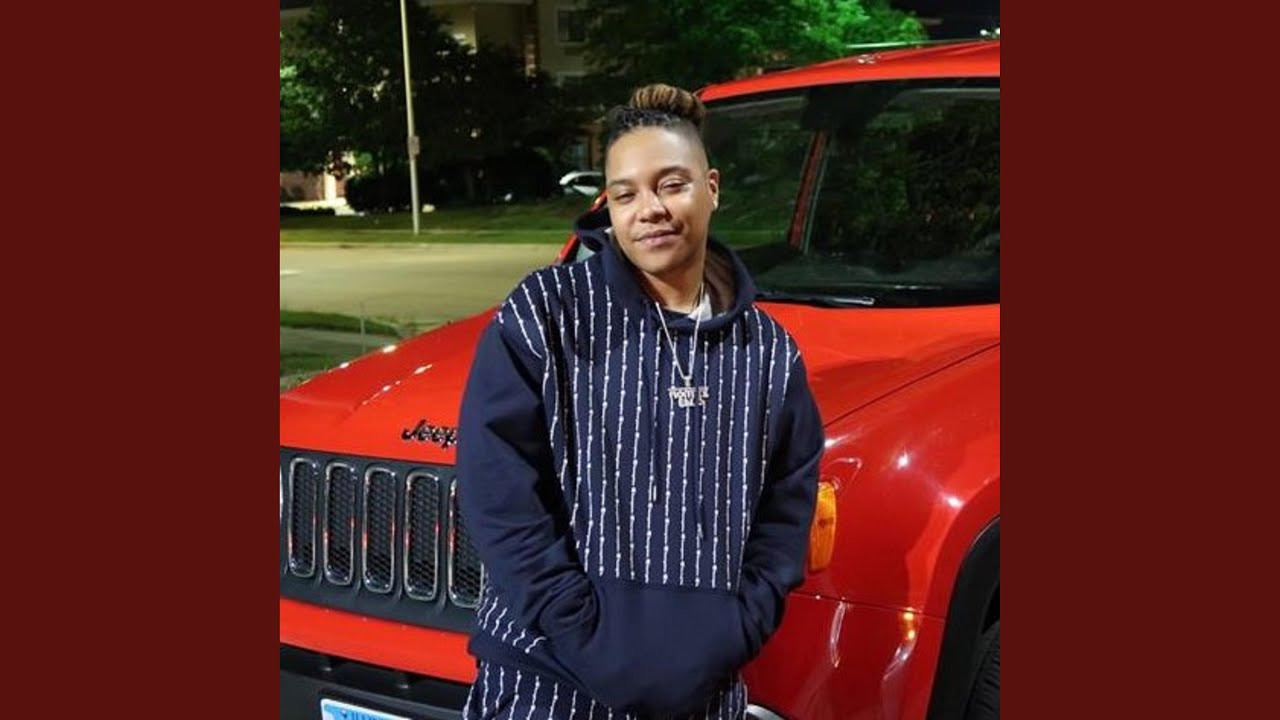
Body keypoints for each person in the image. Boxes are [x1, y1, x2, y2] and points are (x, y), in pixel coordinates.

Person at [457, 83, 824, 720]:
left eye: (671, 185)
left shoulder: (768, 352)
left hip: (702, 690)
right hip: (545, 677)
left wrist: (737, 626)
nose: (648, 209)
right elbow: (498, 489)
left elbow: (786, 508)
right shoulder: (547, 312)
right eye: (625, 194)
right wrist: (575, 625)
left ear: (712, 188)